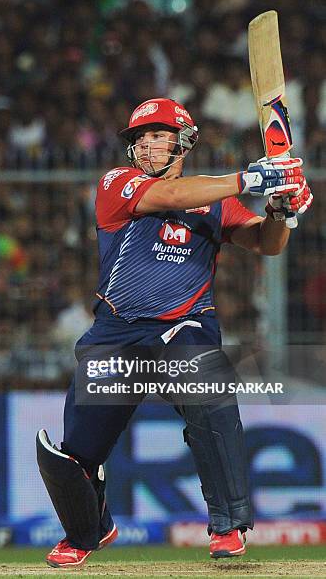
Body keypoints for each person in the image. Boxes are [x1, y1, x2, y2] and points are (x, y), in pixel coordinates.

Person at [36, 98, 313, 569]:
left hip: (184, 324)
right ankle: (88, 531)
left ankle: (228, 526)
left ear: (184, 142)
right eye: (140, 137)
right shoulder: (116, 184)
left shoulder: (217, 202)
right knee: (75, 455)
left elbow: (266, 245)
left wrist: (281, 212)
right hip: (117, 329)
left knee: (209, 396)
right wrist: (253, 179)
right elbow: (169, 197)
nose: (146, 144)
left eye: (159, 135)